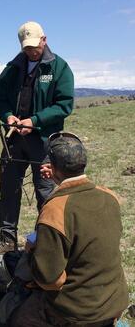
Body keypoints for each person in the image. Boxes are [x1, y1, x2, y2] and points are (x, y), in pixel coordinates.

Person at [10, 132, 129, 326]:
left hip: (78, 312)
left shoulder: (55, 209)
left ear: (53, 167)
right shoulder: (109, 196)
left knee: (17, 316)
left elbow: (51, 280)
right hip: (114, 302)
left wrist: (33, 254)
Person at [0, 21, 74, 256]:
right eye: (26, 47)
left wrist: (34, 121)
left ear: (44, 40)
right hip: (14, 140)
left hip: (44, 141)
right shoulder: (12, 68)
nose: (31, 51)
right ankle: (7, 239)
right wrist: (8, 116)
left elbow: (64, 105)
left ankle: (46, 243)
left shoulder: (59, 67)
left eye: (34, 46)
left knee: (45, 192)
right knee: (8, 190)